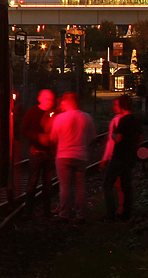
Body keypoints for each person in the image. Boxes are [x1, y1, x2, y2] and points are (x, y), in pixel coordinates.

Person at [49, 92, 96, 224]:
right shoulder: (87, 117)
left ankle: (64, 214)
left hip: (63, 155)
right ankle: (80, 214)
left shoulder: (60, 118)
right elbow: (92, 137)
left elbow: (52, 137)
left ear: (67, 102)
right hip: (81, 155)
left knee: (64, 187)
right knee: (80, 186)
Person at [101, 95, 142, 221]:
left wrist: (113, 133)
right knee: (126, 186)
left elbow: (118, 138)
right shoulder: (135, 119)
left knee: (107, 184)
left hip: (119, 157)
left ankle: (110, 214)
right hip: (130, 157)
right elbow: (140, 138)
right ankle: (126, 214)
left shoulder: (124, 120)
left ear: (121, 106)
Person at [21, 89, 56, 217]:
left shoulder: (54, 113)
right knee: (33, 182)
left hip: (49, 152)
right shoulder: (32, 112)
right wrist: (37, 137)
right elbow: (24, 129)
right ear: (40, 99)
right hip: (36, 151)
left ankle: (46, 210)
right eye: (47, 99)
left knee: (47, 183)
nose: (49, 102)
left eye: (51, 100)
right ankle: (28, 210)